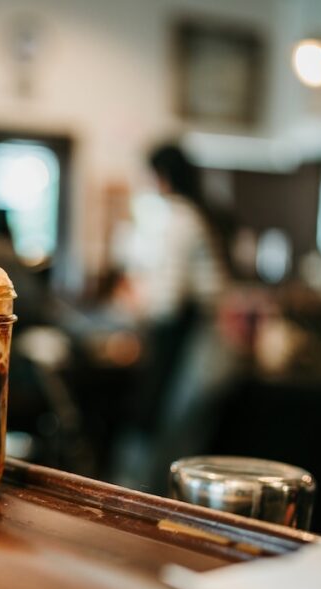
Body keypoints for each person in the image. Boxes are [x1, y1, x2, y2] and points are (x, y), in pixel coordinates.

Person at [112, 142, 238, 493]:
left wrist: (134, 303)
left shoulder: (180, 217)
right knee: (183, 444)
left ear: (161, 176)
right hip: (204, 340)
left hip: (192, 343)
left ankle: (151, 524)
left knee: (167, 443)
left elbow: (168, 302)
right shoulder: (199, 213)